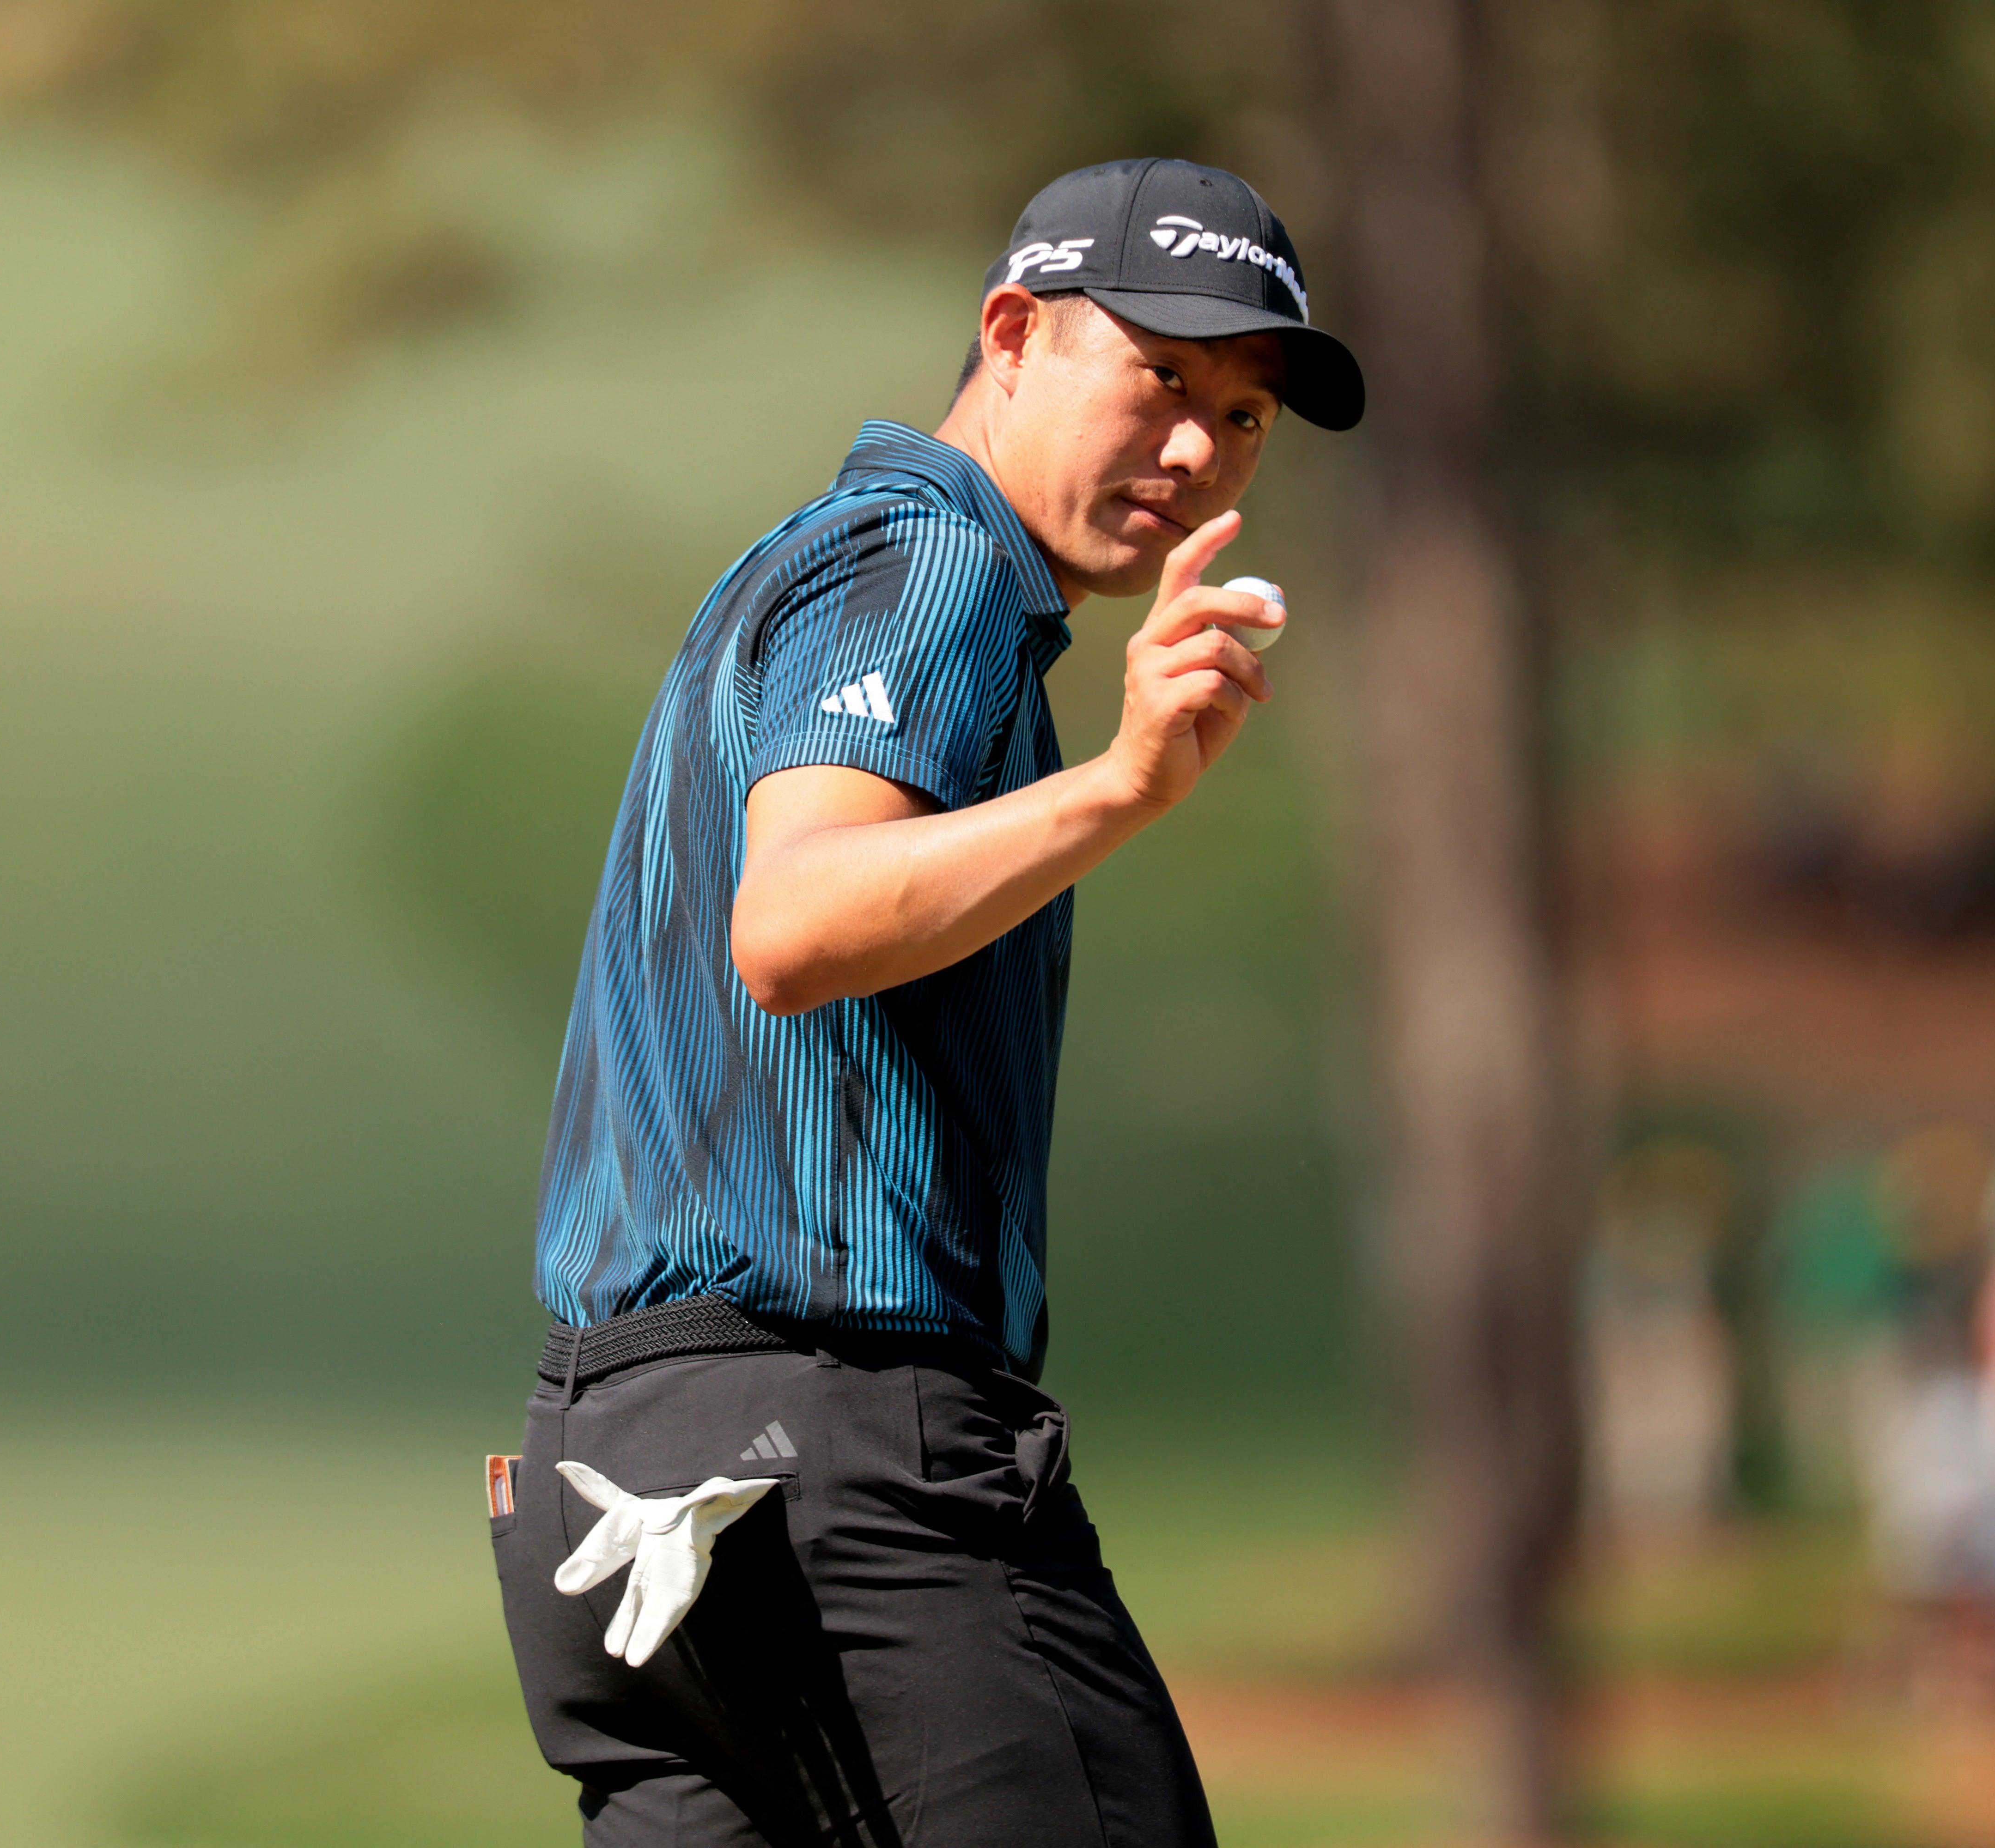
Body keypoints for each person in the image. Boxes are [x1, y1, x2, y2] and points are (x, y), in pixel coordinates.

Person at [488, 157, 1365, 1847]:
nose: (1199, 448)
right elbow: (796, 923)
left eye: (1246, 415)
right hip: (841, 1477)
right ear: (1012, 335)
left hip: (622, 1478)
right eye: (1162, 377)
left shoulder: (815, 565)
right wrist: (1119, 787)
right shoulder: (934, 562)